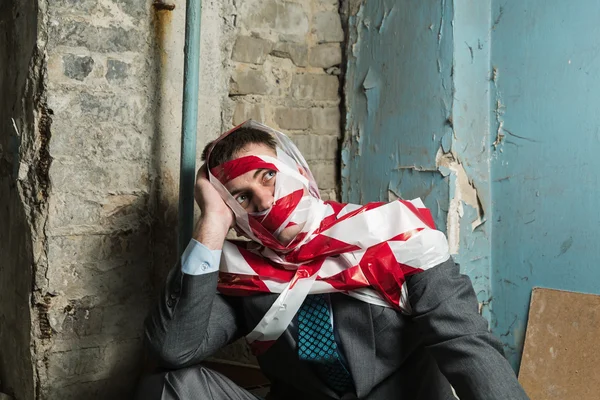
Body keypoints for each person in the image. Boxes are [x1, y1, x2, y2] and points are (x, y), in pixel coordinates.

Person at [136, 120, 529, 400]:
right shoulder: (243, 274)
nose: (265, 202)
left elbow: (468, 347)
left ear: (297, 170)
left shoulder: (394, 237)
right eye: (241, 197)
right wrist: (211, 225)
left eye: (267, 176)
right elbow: (174, 350)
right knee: (170, 387)